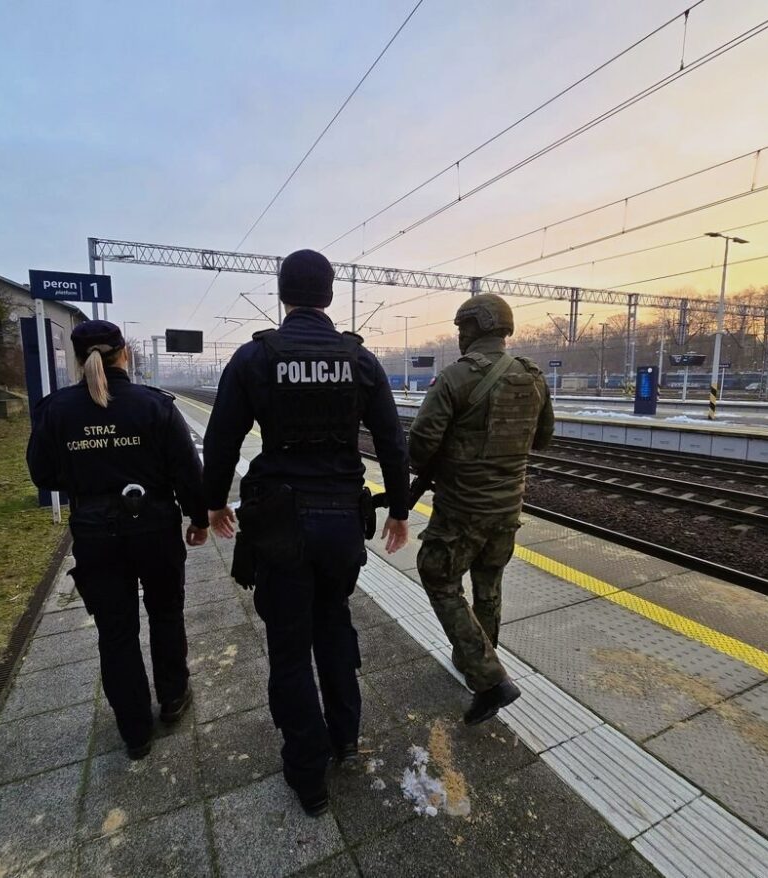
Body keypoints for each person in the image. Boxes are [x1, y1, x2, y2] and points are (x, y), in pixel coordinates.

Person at [202, 249, 411, 817]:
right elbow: (392, 439)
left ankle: (308, 774)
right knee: (334, 621)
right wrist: (399, 510)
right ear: (329, 293)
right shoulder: (358, 359)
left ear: (281, 293)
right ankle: (344, 738)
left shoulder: (254, 358)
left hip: (281, 524)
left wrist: (211, 505)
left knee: (290, 646)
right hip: (343, 518)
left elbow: (221, 440)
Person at [27, 320, 209, 760]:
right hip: (155, 530)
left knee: (115, 632)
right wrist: (198, 519)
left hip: (95, 536)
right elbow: (187, 471)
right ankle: (172, 698)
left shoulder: (56, 410)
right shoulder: (154, 406)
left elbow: (43, 474)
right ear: (125, 353)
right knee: (166, 614)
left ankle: (134, 731)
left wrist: (85, 479)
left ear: (75, 358)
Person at [408, 293, 554, 725]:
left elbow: (419, 448)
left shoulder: (456, 378)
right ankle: (474, 660)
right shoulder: (532, 376)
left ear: (476, 326)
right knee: (487, 584)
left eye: (462, 327)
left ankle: (491, 680)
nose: (458, 335)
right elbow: (542, 440)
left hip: (461, 510)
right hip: (508, 508)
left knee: (438, 576)